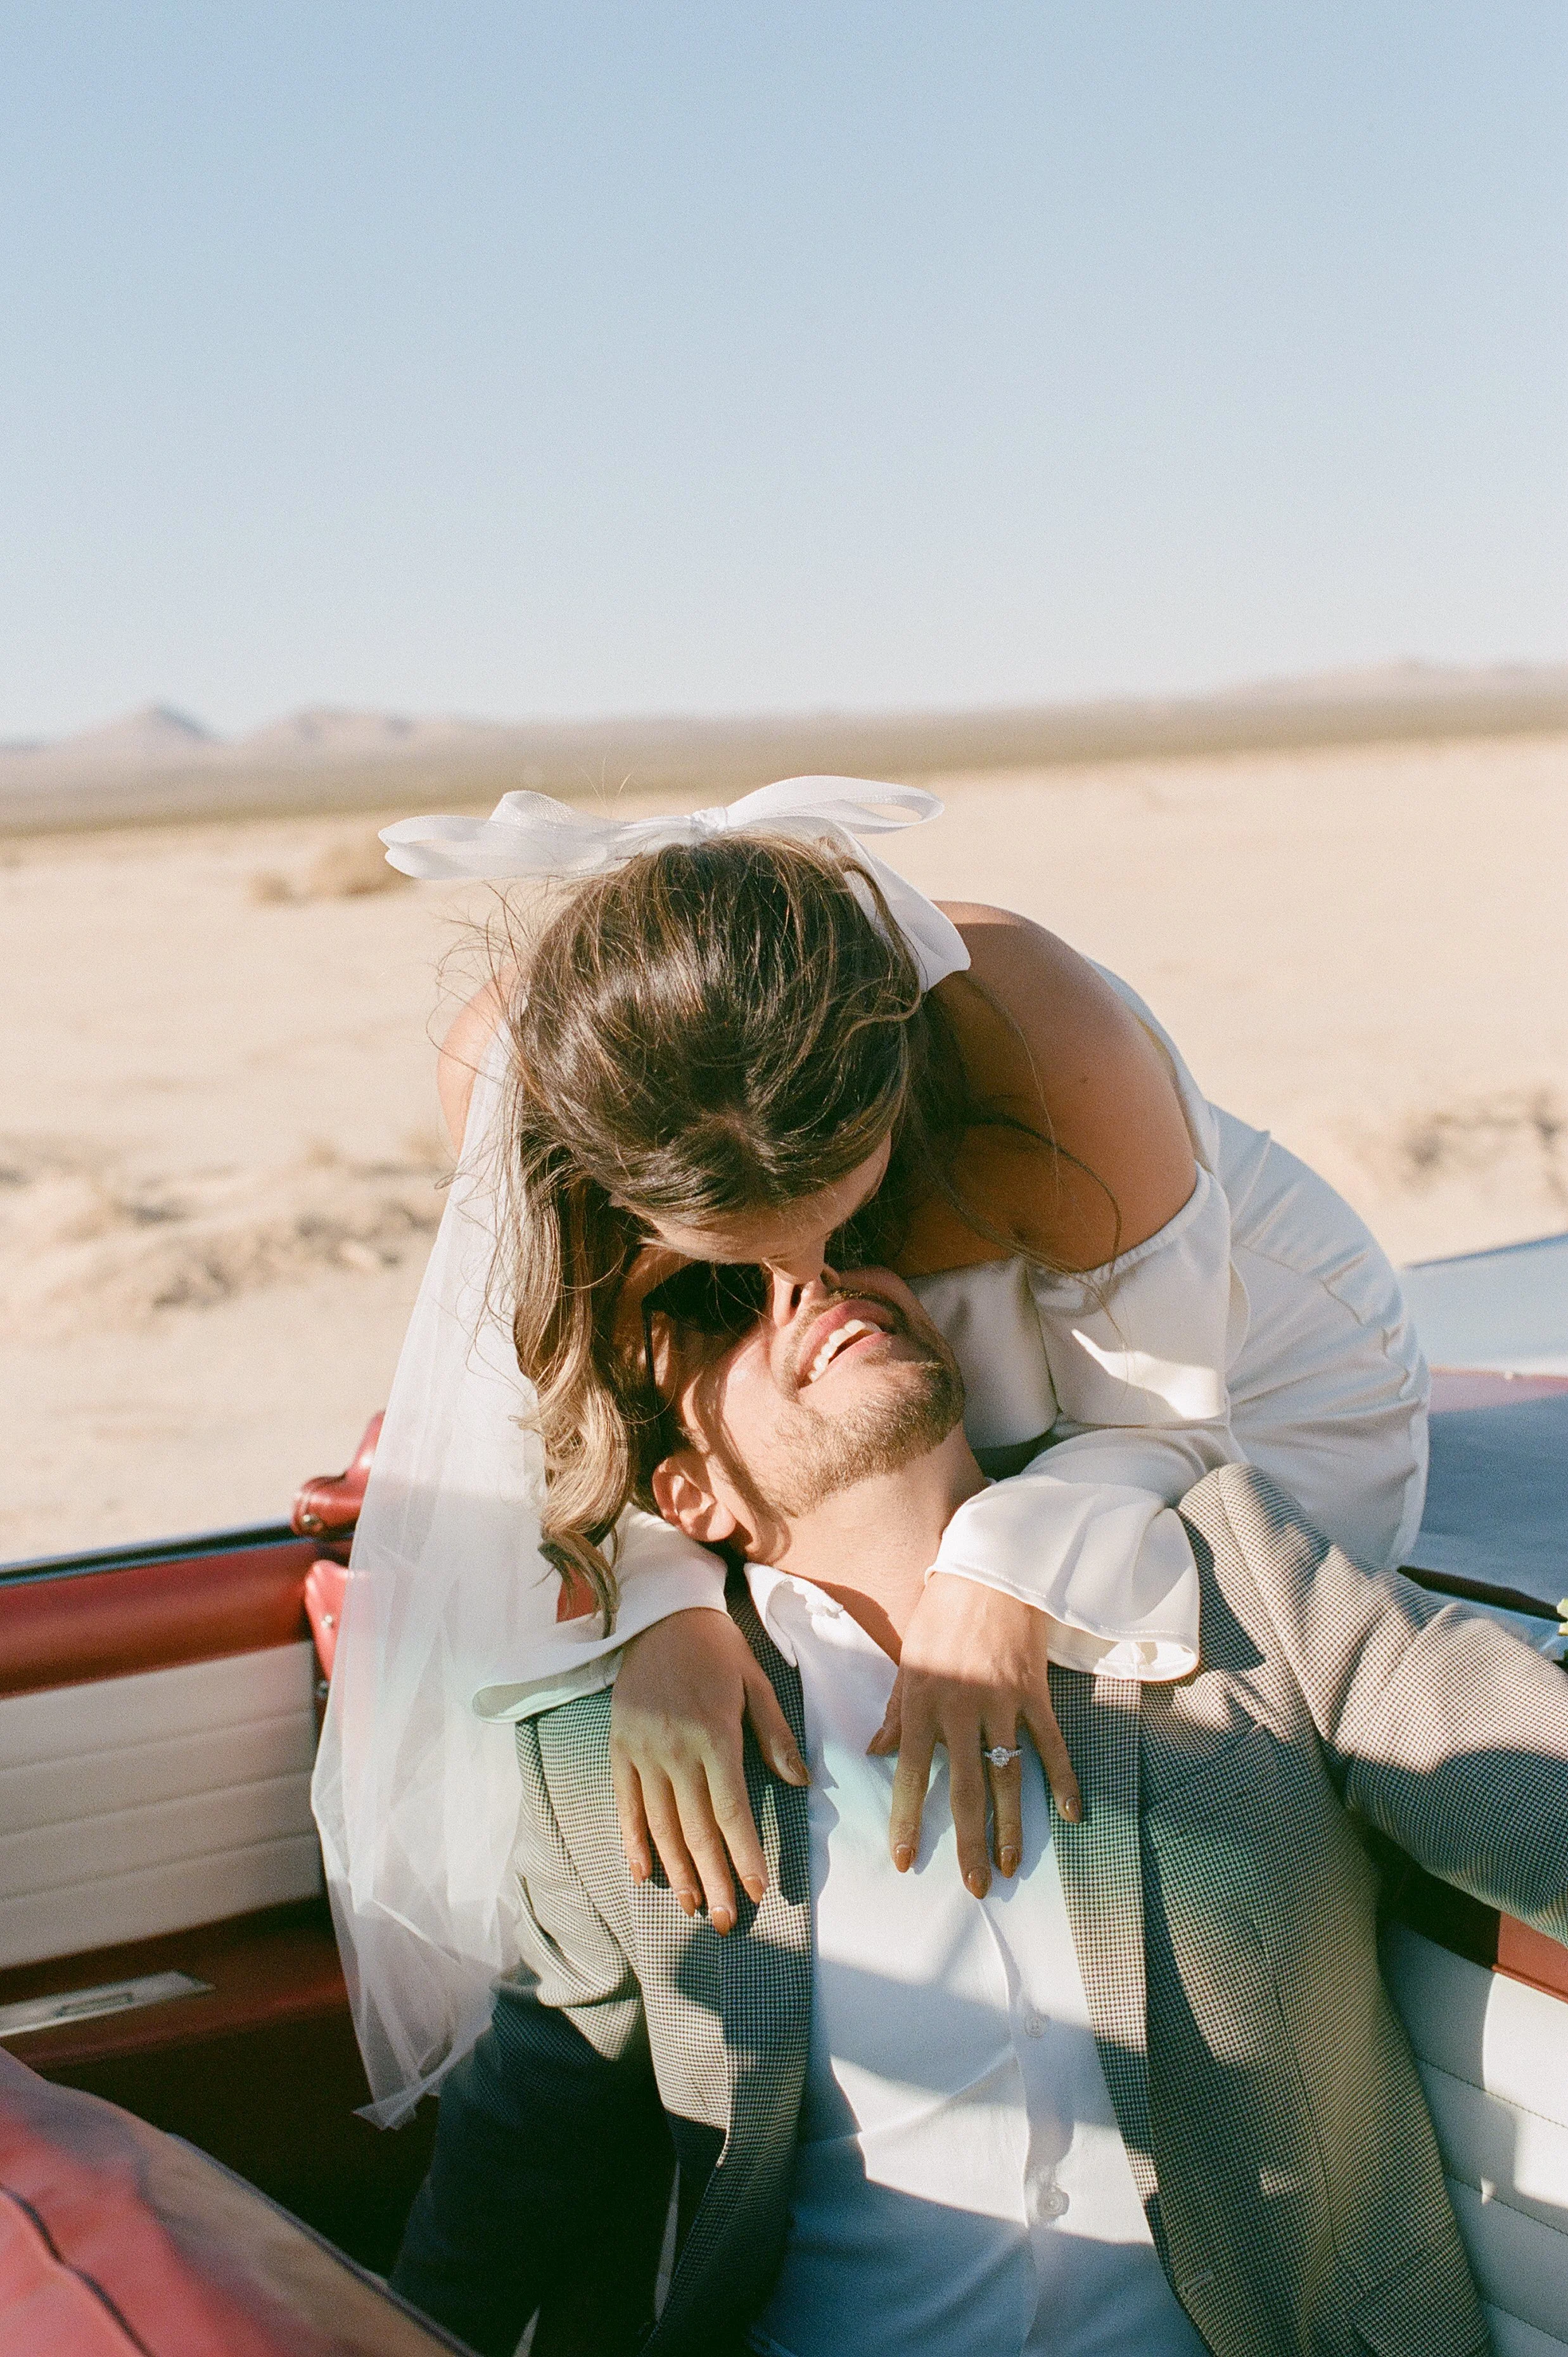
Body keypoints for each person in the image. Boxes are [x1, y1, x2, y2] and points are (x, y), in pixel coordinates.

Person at [312, 779, 1428, 2123]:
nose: (801, 1270)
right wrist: (662, 1604)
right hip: (874, 1377)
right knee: (809, 1586)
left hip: (1239, 1376)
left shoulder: (1039, 1028)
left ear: (892, 1088)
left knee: (1158, 1651)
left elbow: (1167, 1424)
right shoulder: (518, 1075)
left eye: (826, 1208)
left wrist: (1000, 1567)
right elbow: (614, 1408)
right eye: (731, 1258)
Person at [388, 1260, 1568, 2357]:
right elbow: (527, 2140)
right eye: (718, 1301)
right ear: (688, 1497)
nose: (808, 1278)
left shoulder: (1234, 1572)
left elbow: (1528, 1783)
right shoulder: (617, 1754)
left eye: (840, 1240)